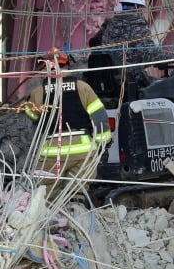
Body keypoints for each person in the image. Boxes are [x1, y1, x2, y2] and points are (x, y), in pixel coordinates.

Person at [25, 47, 112, 194]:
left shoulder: (39, 91)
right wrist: (104, 142)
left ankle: (50, 214)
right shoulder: (83, 88)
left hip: (51, 154)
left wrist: (27, 106)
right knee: (78, 192)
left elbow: (32, 116)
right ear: (67, 65)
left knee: (45, 194)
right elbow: (99, 117)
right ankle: (77, 208)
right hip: (82, 153)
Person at [95, 0, 174, 100]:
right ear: (138, 8)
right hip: (135, 82)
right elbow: (152, 55)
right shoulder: (137, 27)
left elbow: (127, 55)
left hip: (114, 83)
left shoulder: (110, 27)